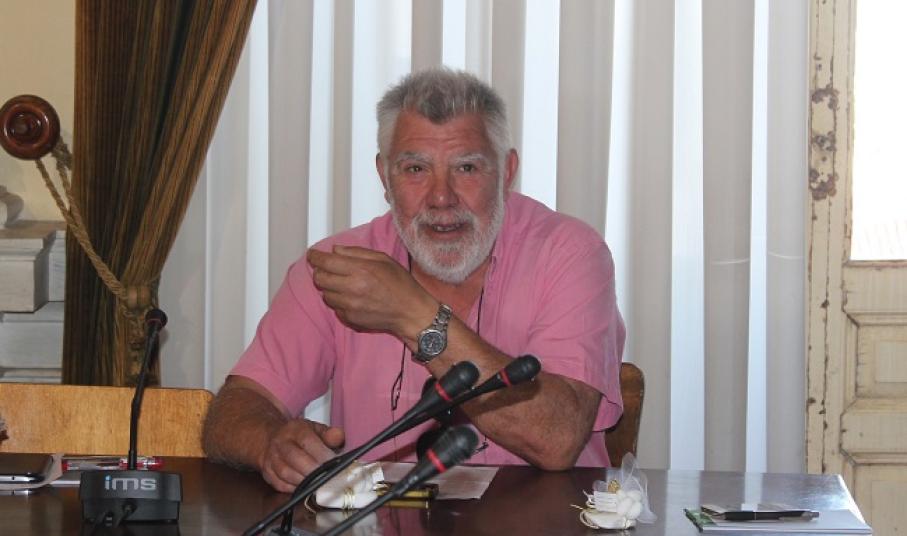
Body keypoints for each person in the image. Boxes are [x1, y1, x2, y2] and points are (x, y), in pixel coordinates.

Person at [203, 68, 625, 493]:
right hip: (374, 517)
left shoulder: (570, 253)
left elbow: (557, 439)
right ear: (384, 177)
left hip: (540, 518)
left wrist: (415, 316)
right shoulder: (338, 267)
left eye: (467, 167)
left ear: (507, 171)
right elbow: (235, 410)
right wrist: (271, 444)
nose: (442, 197)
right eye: (415, 169)